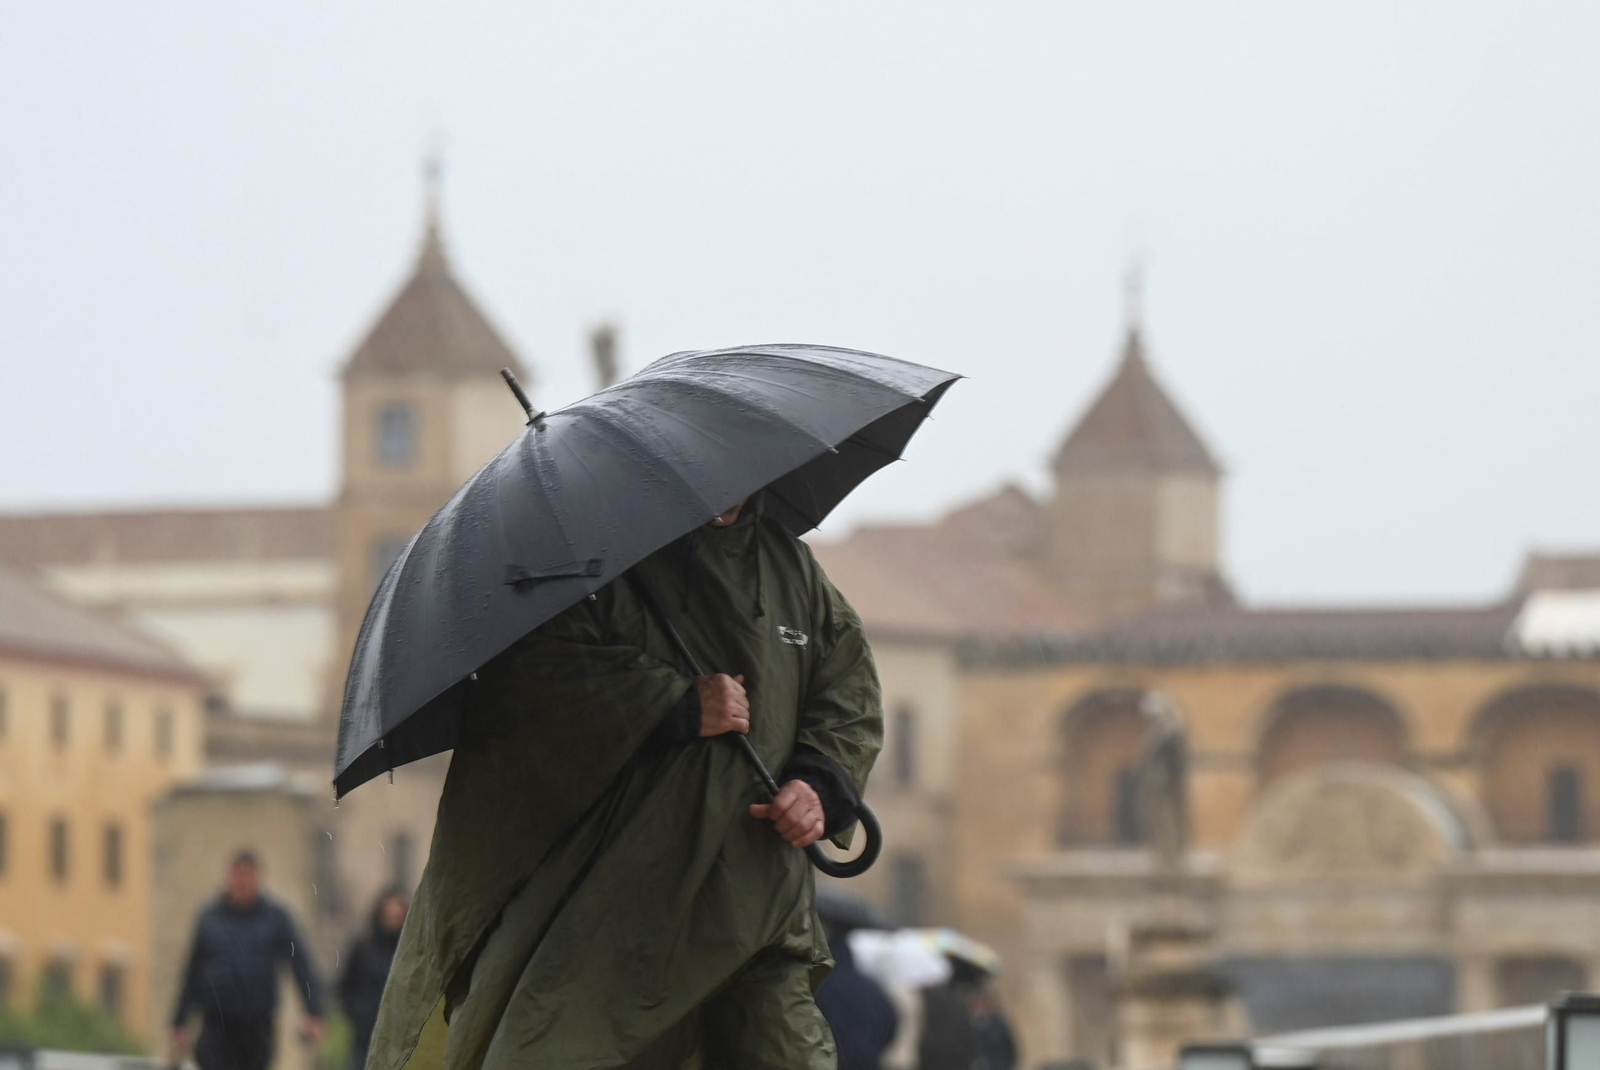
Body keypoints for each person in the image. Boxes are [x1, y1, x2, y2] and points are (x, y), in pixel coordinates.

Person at [366, 493, 883, 1070]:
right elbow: (534, 688)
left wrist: (818, 783)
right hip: (615, 903)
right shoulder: (598, 561)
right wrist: (675, 703)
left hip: (759, 901)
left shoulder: (793, 571)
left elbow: (849, 692)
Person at [171, 851, 325, 1070]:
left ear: (258, 878)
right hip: (216, 1023)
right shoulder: (210, 919)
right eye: (238, 875)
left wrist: (313, 1012)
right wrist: (179, 1022)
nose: (242, 882)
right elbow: (192, 973)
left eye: (248, 876)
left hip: (258, 1024)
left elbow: (300, 965)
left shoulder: (276, 919)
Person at [339, 888, 410, 1070]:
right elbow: (345, 986)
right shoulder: (363, 948)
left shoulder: (410, 952)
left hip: (401, 1033)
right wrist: (358, 1013)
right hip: (365, 1033)